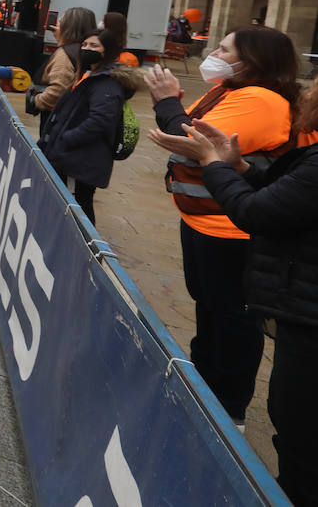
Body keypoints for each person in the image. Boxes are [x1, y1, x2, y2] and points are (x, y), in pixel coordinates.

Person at [148, 87, 318, 506]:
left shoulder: (263, 103)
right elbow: (288, 196)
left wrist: (214, 165)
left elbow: (258, 212)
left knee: (299, 432)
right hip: (296, 304)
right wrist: (240, 165)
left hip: (307, 314)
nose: (308, 89)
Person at [143, 27, 298, 430]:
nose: (214, 52)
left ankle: (228, 407)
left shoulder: (261, 100)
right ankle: (204, 384)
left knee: (232, 316)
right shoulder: (230, 90)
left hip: (231, 229)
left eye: (224, 48)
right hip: (205, 220)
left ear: (251, 61)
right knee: (208, 305)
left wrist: (166, 102)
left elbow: (189, 136)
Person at [36, 29, 137, 225]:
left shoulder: (107, 85)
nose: (86, 49)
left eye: (94, 46)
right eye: (84, 45)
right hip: (74, 153)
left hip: (83, 156)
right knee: (71, 200)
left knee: (81, 202)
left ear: (106, 51)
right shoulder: (91, 74)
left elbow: (99, 121)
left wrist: (68, 138)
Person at [30, 6, 97, 130]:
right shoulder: (82, 50)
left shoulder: (64, 54)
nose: (57, 23)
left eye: (61, 21)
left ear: (69, 27)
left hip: (55, 116)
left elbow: (58, 89)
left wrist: (37, 100)